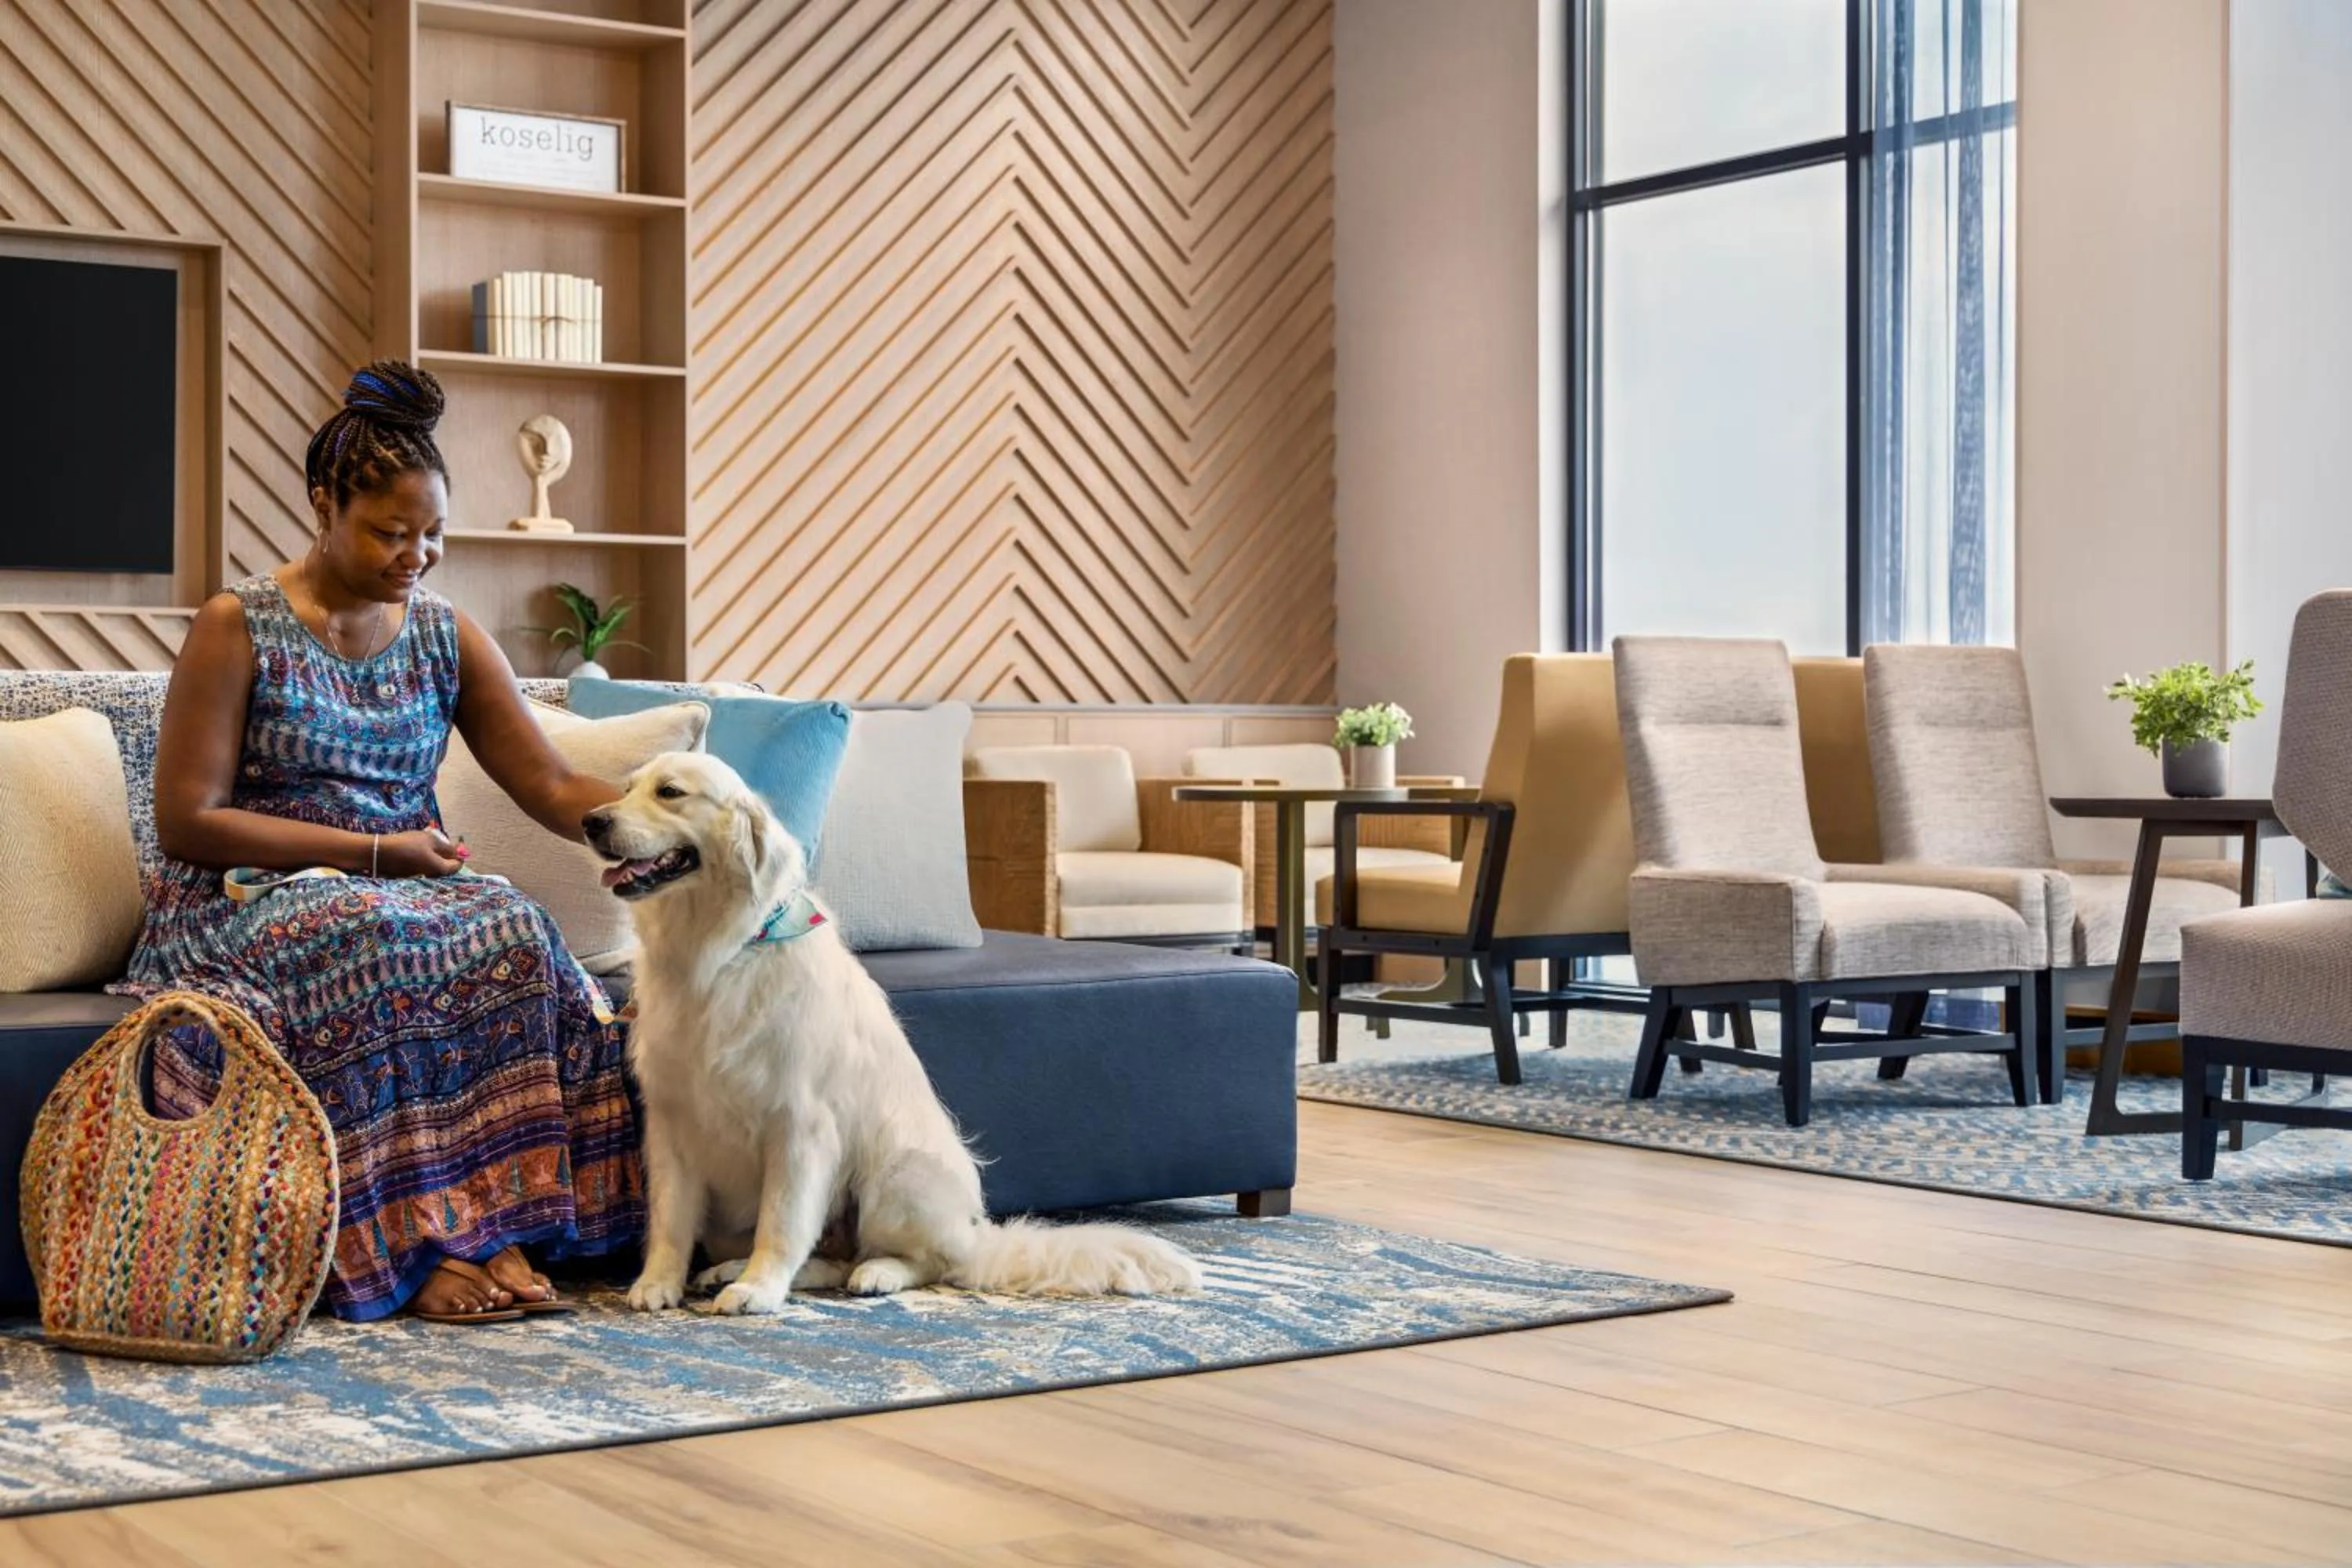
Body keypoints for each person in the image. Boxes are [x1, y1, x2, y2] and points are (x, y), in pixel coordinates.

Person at [119, 360, 642, 1324]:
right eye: (391, 532)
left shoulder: (446, 635)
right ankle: (408, 1245)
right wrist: (374, 852)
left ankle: (493, 1223)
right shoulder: (238, 626)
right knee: (371, 936)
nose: (418, 554)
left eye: (433, 532)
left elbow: (552, 782)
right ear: (324, 505)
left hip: (399, 885)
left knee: (513, 927)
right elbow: (189, 819)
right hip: (245, 897)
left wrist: (686, 826)